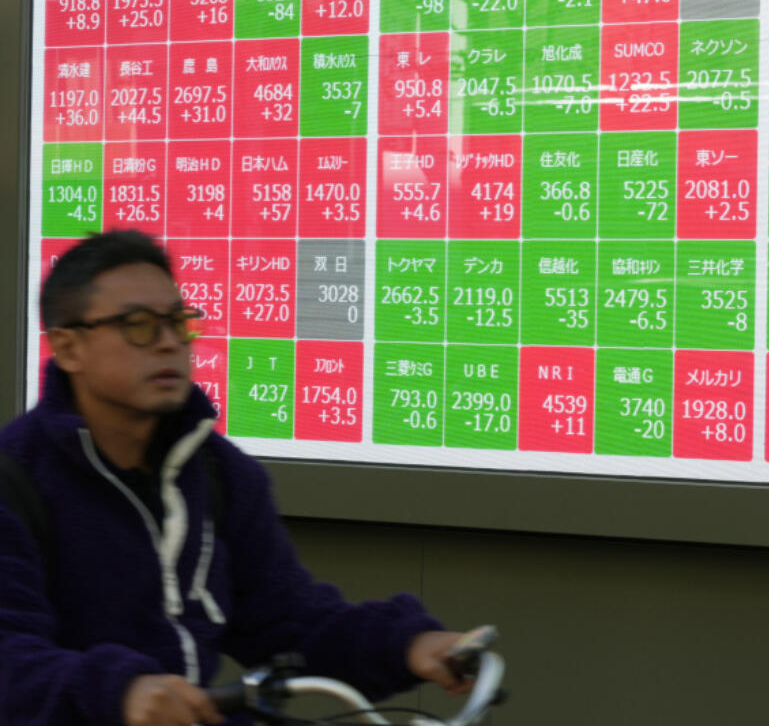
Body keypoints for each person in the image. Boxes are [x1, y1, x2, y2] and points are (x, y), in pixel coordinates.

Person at [0, 230, 473, 726]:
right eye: (137, 325)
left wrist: (408, 644)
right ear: (68, 347)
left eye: (177, 322)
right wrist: (120, 691)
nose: (167, 343)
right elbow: (10, 656)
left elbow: (288, 620)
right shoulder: (18, 481)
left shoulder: (216, 473)